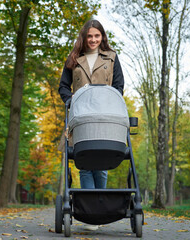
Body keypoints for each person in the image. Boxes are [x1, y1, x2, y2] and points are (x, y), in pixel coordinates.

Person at [58, 19, 125, 229]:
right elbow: (63, 87)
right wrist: (72, 101)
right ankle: (89, 215)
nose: (94, 40)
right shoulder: (74, 59)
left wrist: (108, 101)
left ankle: (98, 211)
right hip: (81, 116)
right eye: (90, 36)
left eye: (97, 36)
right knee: (84, 163)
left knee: (101, 163)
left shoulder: (112, 58)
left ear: (102, 37)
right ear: (84, 38)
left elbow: (118, 86)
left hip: (105, 115)